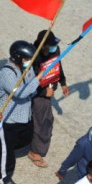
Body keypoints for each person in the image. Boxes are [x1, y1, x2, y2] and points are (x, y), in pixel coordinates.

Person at [0, 40, 40, 184]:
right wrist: (38, 80)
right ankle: (5, 177)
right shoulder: (7, 73)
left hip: (24, 115)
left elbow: (31, 90)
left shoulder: (27, 69)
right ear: (17, 57)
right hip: (7, 118)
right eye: (26, 58)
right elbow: (21, 93)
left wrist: (34, 82)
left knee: (26, 139)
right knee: (8, 151)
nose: (29, 62)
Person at [29, 31, 69, 168]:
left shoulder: (54, 50)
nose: (54, 48)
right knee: (44, 122)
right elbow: (28, 81)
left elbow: (58, 65)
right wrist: (44, 92)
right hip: (37, 93)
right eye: (51, 45)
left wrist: (63, 83)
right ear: (43, 45)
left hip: (48, 89)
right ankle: (36, 152)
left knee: (40, 120)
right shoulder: (33, 56)